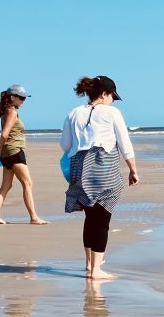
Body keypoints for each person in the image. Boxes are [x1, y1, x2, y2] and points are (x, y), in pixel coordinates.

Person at [59, 75, 139, 280]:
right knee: (102, 219)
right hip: (103, 166)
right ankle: (96, 271)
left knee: (90, 216)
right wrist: (133, 170)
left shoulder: (73, 113)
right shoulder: (112, 112)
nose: (113, 99)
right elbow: (124, 143)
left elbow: (66, 146)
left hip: (79, 166)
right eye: (112, 95)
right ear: (104, 94)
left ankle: (89, 264)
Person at [0, 84, 49, 225]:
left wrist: (2, 149)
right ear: (12, 97)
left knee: (6, 185)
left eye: (25, 98)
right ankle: (34, 217)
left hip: (7, 153)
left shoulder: (6, 111)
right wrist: (1, 146)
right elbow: (5, 133)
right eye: (21, 98)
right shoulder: (12, 112)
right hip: (15, 151)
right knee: (27, 183)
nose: (23, 100)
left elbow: (5, 134)